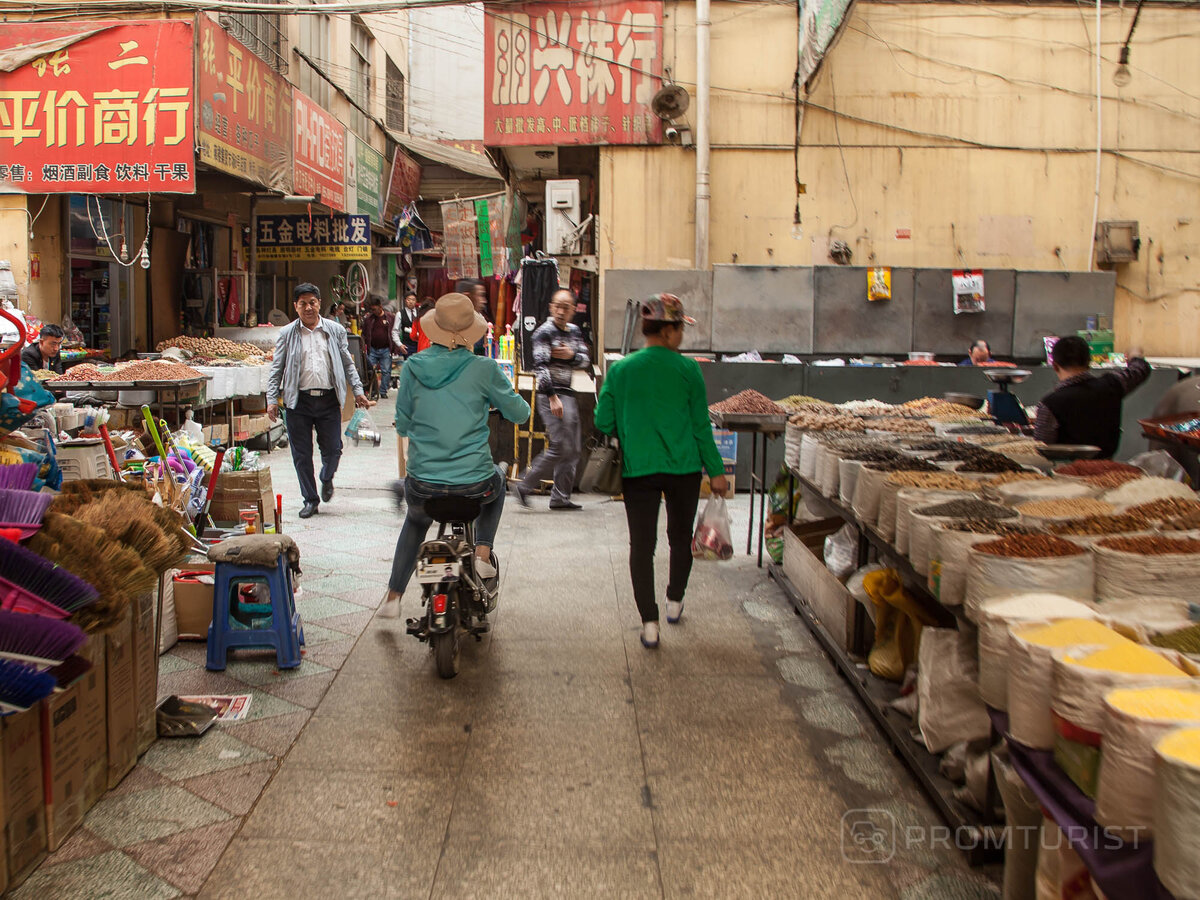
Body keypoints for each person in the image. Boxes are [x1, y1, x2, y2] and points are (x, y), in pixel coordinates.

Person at [594, 293, 729, 650]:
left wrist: (632, 425)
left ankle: (649, 623)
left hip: (638, 470)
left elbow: (602, 420)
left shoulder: (621, 369)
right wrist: (716, 471)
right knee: (679, 537)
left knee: (642, 545)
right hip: (684, 469)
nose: (682, 335)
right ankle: (674, 601)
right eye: (680, 328)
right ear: (668, 331)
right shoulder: (688, 369)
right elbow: (701, 425)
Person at [381, 292, 530, 613]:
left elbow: (403, 425)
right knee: (499, 481)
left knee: (415, 520)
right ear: (470, 333)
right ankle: (482, 555)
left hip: (423, 485)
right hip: (475, 485)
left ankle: (393, 597)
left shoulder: (412, 368)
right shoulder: (485, 369)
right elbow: (520, 414)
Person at [267, 283, 369, 519]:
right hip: (298, 403)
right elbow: (276, 369)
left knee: (334, 449)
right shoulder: (286, 334)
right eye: (303, 303)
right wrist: (272, 399)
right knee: (301, 454)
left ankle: (326, 477)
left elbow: (347, 363)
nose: (308, 307)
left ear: (319, 303)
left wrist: (359, 390)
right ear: (295, 306)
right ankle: (310, 500)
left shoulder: (334, 330)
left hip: (328, 400)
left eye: (312, 302)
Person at [512, 289, 590, 510]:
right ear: (551, 307)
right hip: (552, 395)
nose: (561, 311)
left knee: (573, 448)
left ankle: (560, 497)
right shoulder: (544, 333)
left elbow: (585, 359)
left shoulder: (574, 331)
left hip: (568, 393)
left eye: (566, 307)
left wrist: (571, 356)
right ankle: (524, 485)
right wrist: (552, 397)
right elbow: (541, 367)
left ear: (573, 310)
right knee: (561, 445)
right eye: (558, 306)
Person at [1033, 335, 1150, 459]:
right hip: (1106, 469)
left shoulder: (1050, 404)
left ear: (1055, 366)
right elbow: (1140, 369)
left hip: (1064, 472)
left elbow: (1041, 449)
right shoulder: (1113, 384)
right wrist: (1135, 354)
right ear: (1089, 362)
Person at [361, 294, 398, 398]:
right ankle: (372, 391)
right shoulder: (369, 319)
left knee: (386, 371)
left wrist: (395, 347)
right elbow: (364, 334)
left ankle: (383, 391)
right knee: (369, 370)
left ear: (380, 307)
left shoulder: (390, 317)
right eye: (372, 309)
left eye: (375, 309)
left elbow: (394, 332)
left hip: (386, 349)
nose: (373, 311)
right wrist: (363, 346)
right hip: (372, 349)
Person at [392, 292, 420, 359]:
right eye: (409, 299)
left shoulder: (420, 312)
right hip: (407, 346)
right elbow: (395, 331)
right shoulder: (400, 314)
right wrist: (400, 345)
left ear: (416, 301)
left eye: (413, 300)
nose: (411, 302)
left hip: (419, 344)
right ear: (405, 300)